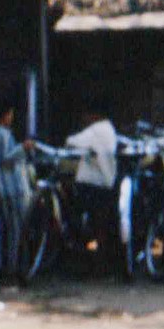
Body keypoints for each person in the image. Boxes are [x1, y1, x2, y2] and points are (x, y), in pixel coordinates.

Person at [0, 98, 34, 278]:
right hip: (8, 188)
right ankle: (12, 265)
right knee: (14, 228)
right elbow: (7, 159)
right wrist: (23, 147)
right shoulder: (4, 135)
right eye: (10, 113)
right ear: (4, 115)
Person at [65, 100, 118, 254]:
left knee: (76, 210)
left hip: (93, 183)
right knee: (101, 222)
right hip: (106, 182)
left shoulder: (96, 130)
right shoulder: (109, 129)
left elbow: (72, 142)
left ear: (94, 115)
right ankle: (99, 256)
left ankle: (78, 246)